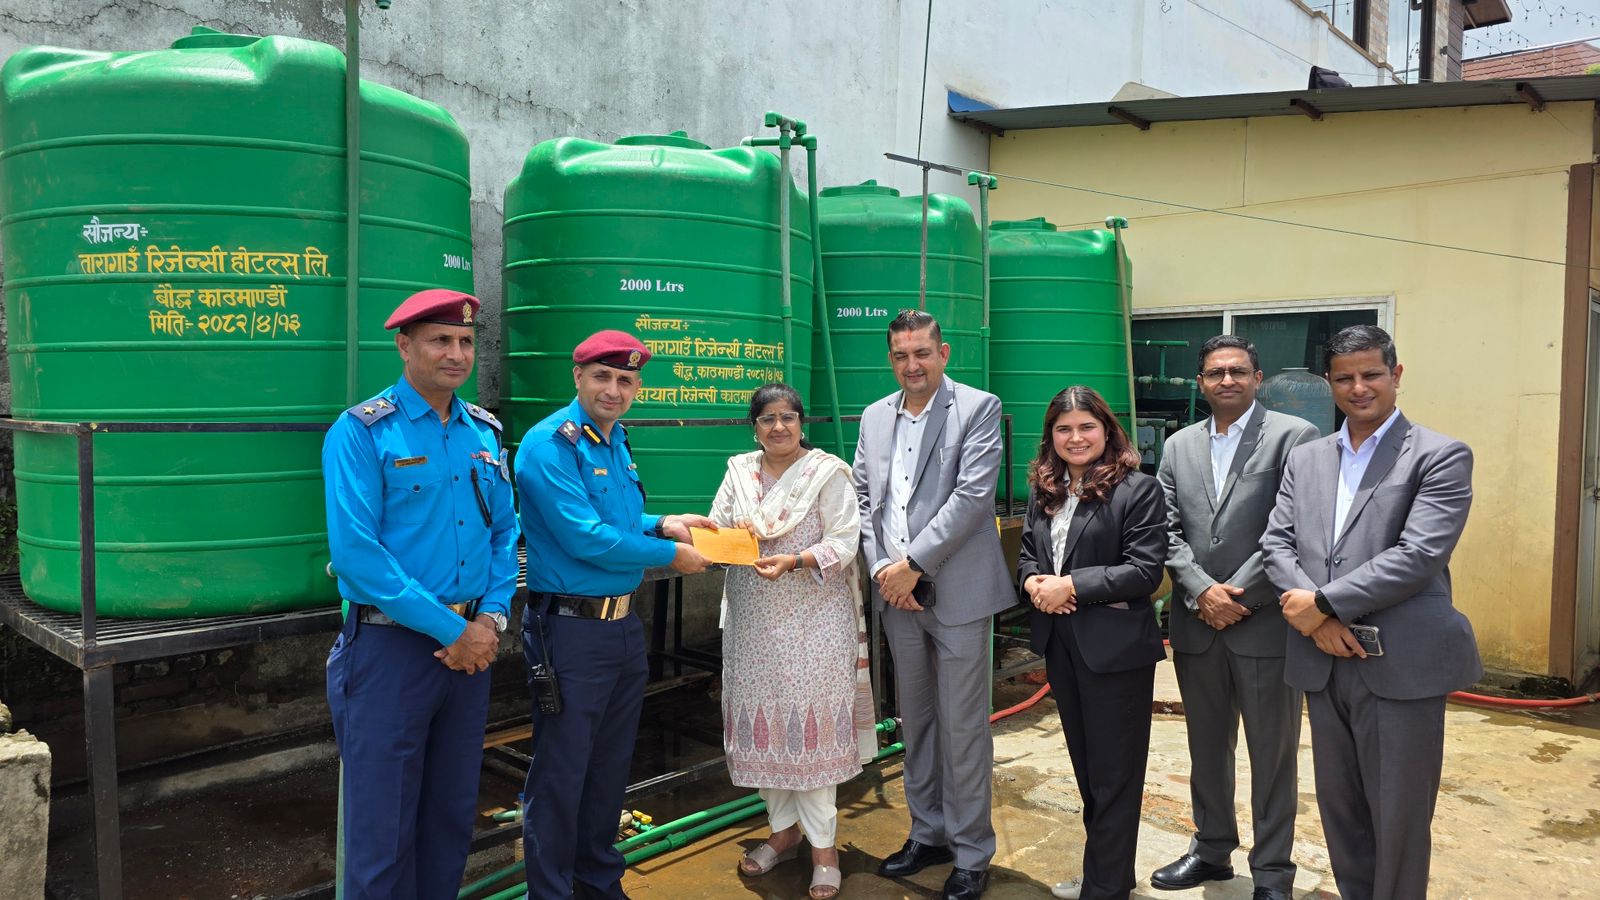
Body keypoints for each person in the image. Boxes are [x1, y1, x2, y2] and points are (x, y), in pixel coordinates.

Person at [1262, 324, 1480, 900]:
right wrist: (1318, 620)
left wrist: (1325, 605)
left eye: (1371, 374)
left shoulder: (1439, 455)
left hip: (1399, 662)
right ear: (1329, 384)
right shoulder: (1307, 458)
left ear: (1396, 375)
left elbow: (1419, 555)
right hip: (1322, 657)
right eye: (1345, 378)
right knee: (1342, 809)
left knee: (1399, 815)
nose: (1359, 388)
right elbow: (1276, 546)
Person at [322, 288, 519, 900]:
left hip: (471, 651)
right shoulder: (361, 433)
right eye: (440, 340)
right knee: (382, 834)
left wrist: (490, 618)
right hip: (390, 652)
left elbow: (504, 532)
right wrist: (452, 630)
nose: (456, 352)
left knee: (448, 821)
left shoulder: (482, 431)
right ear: (404, 345)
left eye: (465, 341)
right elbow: (359, 558)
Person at [515, 329, 716, 900]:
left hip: (623, 627)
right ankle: (550, 893)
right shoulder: (549, 445)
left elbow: (619, 517)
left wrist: (662, 523)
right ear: (576, 377)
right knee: (561, 774)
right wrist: (669, 554)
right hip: (570, 631)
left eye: (626, 380)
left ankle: (598, 883)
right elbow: (586, 538)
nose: (614, 389)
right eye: (602, 376)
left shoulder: (614, 439)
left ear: (637, 388)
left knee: (607, 770)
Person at [1150, 336, 1319, 900]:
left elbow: (1289, 527)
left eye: (1238, 371)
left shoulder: (1295, 438)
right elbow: (1165, 530)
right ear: (1200, 381)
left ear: (1257, 376)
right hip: (1198, 625)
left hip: (1264, 622)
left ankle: (1273, 873)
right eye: (1216, 372)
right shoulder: (1178, 446)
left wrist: (1235, 594)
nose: (1227, 380)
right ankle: (1212, 848)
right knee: (1205, 747)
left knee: (1272, 756)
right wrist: (1200, 590)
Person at [852, 310, 1013, 900]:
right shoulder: (873, 417)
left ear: (943, 353)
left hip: (957, 593)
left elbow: (972, 497)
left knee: (963, 726)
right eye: (901, 355)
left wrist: (911, 566)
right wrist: (880, 570)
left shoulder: (977, 407)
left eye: (922, 352)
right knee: (916, 720)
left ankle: (971, 851)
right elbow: (864, 498)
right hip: (897, 597)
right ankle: (929, 832)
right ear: (890, 358)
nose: (912, 365)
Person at [710, 382, 875, 900]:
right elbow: (717, 528)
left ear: (803, 422)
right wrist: (709, 538)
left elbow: (847, 541)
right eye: (767, 419)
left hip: (814, 624)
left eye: (788, 417)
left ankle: (824, 851)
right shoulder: (739, 472)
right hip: (753, 624)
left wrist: (795, 561)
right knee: (766, 735)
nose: (778, 427)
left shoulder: (826, 473)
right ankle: (782, 834)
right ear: (753, 427)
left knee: (811, 737)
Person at [1017, 385, 1167, 900]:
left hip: (1115, 650)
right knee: (1087, 769)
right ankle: (1107, 875)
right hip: (1062, 644)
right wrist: (1035, 582)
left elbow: (1145, 570)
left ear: (1106, 430)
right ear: (1051, 436)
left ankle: (1104, 889)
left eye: (1086, 427)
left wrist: (1072, 585)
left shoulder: (1137, 489)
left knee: (1115, 775)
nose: (1075, 437)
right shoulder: (1046, 489)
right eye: (1064, 429)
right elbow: (1028, 554)